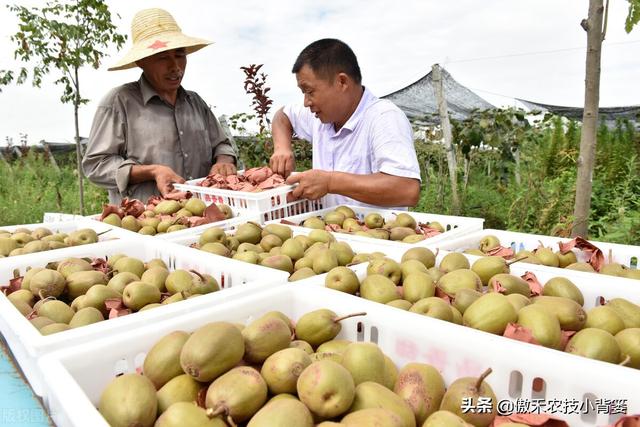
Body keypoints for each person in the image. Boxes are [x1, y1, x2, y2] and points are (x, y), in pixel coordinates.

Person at [83, 8, 237, 204]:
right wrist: (151, 171)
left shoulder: (195, 102)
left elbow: (221, 145)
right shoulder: (119, 102)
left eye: (180, 55)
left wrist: (224, 161)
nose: (175, 66)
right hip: (147, 222)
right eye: (163, 57)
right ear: (141, 62)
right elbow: (96, 165)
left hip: (202, 214)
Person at [270, 38, 421, 208]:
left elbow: (407, 189)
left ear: (341, 82)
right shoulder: (319, 116)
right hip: (330, 231)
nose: (306, 102)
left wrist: (330, 182)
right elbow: (282, 116)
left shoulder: (383, 117)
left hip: (374, 232)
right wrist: (282, 147)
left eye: (310, 91)